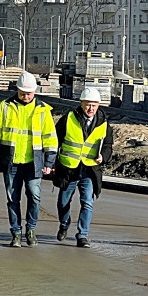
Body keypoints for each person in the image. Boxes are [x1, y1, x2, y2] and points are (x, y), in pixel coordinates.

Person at [0, 71, 58, 247]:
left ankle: (31, 230)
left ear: (34, 92)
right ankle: (16, 233)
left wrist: (49, 163)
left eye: (29, 93)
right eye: (22, 93)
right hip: (11, 162)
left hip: (33, 163)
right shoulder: (5, 107)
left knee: (34, 197)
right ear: (17, 91)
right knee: (13, 199)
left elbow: (50, 138)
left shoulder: (43, 110)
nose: (26, 96)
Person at [53, 87, 113, 248]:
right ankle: (64, 224)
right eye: (88, 104)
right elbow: (55, 141)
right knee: (63, 203)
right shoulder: (68, 119)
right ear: (81, 103)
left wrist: (103, 157)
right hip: (69, 169)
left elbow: (108, 145)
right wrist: (51, 163)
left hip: (89, 170)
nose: (91, 108)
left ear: (99, 105)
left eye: (94, 105)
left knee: (87, 202)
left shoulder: (104, 124)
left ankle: (82, 235)